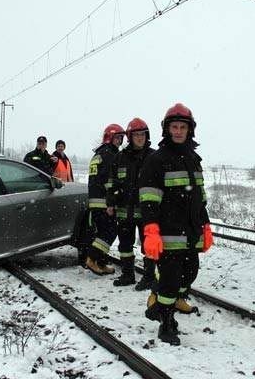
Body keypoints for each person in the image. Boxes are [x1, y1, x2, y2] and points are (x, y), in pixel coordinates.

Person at [139, 103, 213, 346]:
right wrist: (151, 230)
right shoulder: (157, 160)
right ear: (167, 129)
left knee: (190, 272)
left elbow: (199, 196)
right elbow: (149, 199)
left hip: (191, 230)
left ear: (189, 130)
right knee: (170, 280)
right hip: (168, 231)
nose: (179, 131)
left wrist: (206, 225)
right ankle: (166, 321)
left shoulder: (194, 159)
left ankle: (160, 298)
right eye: (174, 127)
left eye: (183, 127)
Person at [107, 118, 155, 288]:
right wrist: (110, 203)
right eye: (136, 135)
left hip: (146, 212)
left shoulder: (153, 157)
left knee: (149, 246)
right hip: (124, 210)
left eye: (142, 134)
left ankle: (149, 278)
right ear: (130, 137)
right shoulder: (120, 157)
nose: (140, 138)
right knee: (125, 245)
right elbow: (112, 182)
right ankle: (128, 275)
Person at [85, 124, 125, 275]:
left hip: (95, 201)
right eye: (117, 138)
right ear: (110, 137)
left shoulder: (99, 154)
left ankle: (101, 263)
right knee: (108, 233)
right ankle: (92, 259)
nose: (119, 141)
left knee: (102, 232)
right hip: (104, 202)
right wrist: (112, 201)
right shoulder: (110, 155)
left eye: (121, 138)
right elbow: (109, 180)